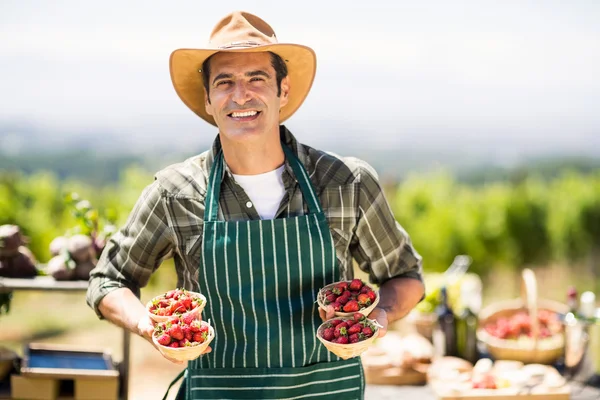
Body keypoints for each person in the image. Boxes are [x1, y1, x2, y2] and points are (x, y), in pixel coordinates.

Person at [86, 11, 425, 400]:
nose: (240, 94)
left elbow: (406, 276)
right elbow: (108, 280)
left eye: (256, 79)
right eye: (224, 82)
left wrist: (378, 316)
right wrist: (152, 326)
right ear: (209, 100)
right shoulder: (175, 192)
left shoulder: (346, 182)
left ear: (283, 91)